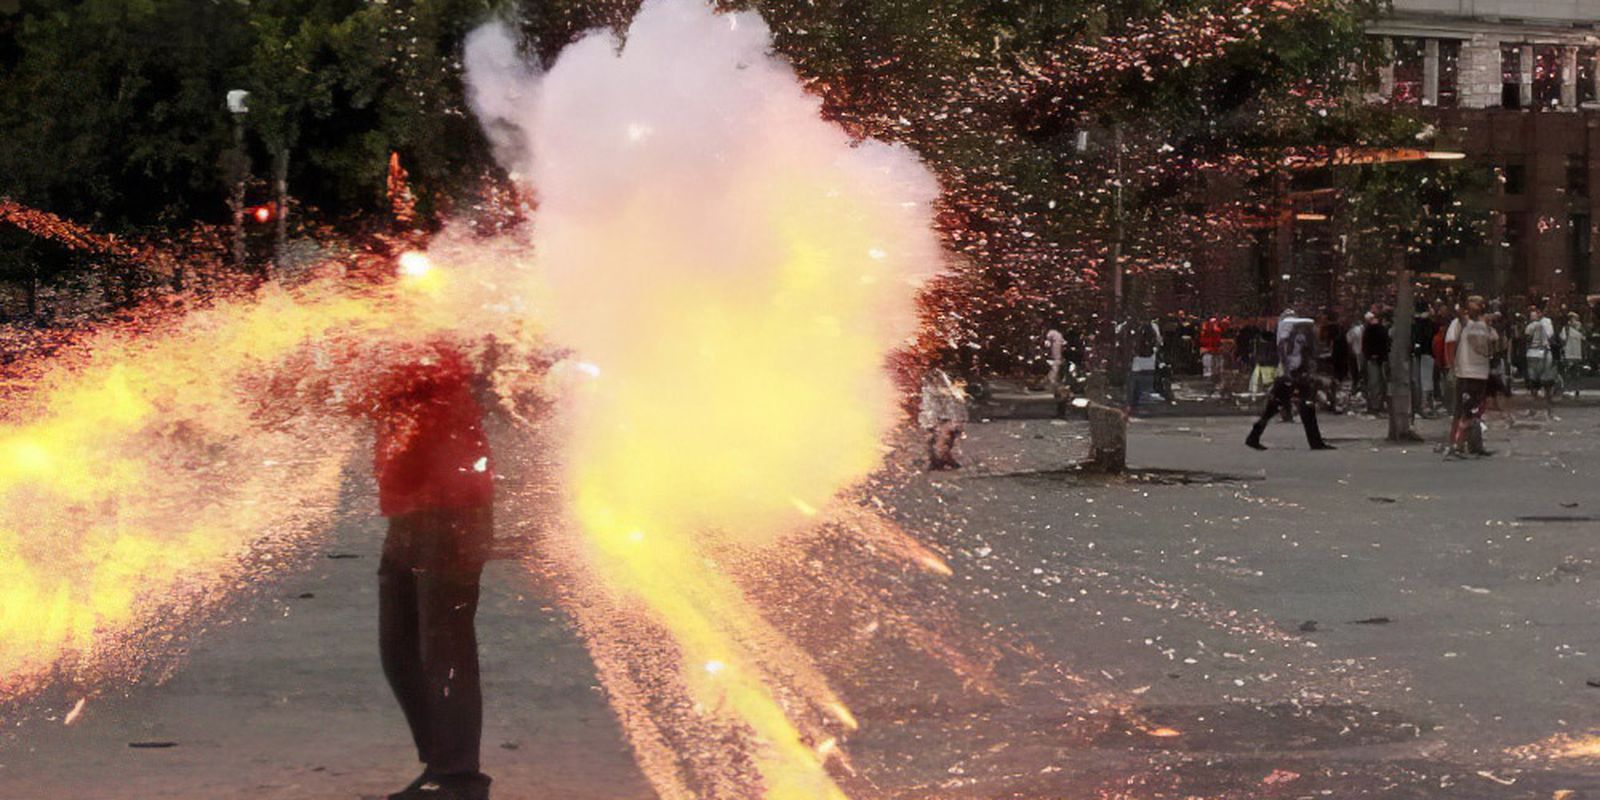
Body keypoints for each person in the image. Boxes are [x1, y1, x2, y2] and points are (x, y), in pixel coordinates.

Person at [364, 340, 496, 800]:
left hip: (451, 508)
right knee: (400, 645)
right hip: (408, 507)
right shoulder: (382, 323)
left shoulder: (424, 327)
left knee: (444, 645)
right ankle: (442, 765)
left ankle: (459, 776)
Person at [1246, 310, 1334, 451]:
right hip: (1295, 375)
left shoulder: (1286, 338)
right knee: (1305, 407)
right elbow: (1295, 357)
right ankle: (1315, 442)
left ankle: (1254, 436)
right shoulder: (1294, 338)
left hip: (1288, 376)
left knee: (1273, 407)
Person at [1448, 296, 1495, 458]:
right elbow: (1452, 342)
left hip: (1481, 372)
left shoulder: (1486, 324)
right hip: (1465, 372)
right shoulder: (1462, 322)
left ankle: (1475, 444)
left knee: (1476, 411)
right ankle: (1457, 445)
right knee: (1464, 410)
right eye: (1470, 303)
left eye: (1476, 303)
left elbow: (1493, 344)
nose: (1472, 306)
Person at [920, 367, 968, 470]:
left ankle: (939, 460)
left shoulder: (940, 390)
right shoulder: (936, 390)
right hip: (938, 417)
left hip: (940, 417)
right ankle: (939, 460)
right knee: (937, 439)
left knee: (940, 439)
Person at [1523, 306, 1558, 419]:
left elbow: (1526, 339)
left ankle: (1534, 409)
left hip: (1532, 354)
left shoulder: (1529, 326)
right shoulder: (1547, 322)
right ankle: (1549, 411)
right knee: (1547, 383)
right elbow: (1551, 336)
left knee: (1534, 384)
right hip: (1545, 353)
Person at [1126, 319, 1161, 415]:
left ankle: (1135, 403)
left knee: (1135, 381)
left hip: (1137, 361)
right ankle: (1143, 402)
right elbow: (1158, 341)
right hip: (1149, 360)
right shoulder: (1153, 327)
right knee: (1146, 383)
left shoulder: (1131, 325)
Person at [1361, 311, 1390, 414]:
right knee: (1382, 382)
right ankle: (1380, 404)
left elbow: (1365, 345)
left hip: (1372, 359)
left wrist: (1369, 355)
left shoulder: (1368, 330)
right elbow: (1386, 344)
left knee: (1374, 383)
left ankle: (1375, 405)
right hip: (1382, 359)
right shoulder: (1382, 329)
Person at [1560, 311, 1585, 398]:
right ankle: (1567, 389)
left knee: (1577, 373)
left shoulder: (1580, 329)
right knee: (1568, 373)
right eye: (1574, 319)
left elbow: (1583, 338)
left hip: (1577, 354)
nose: (1576, 321)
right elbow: (1562, 339)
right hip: (1569, 354)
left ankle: (1576, 389)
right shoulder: (1566, 329)